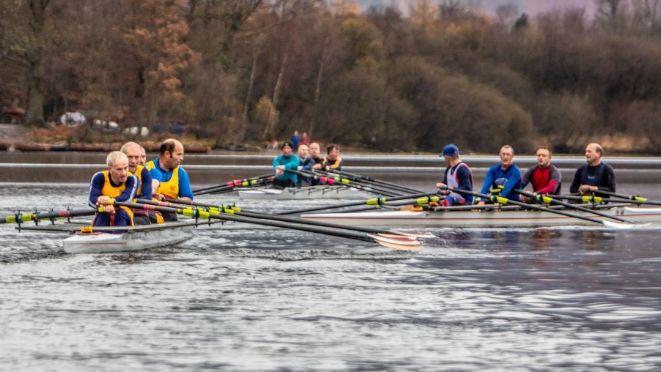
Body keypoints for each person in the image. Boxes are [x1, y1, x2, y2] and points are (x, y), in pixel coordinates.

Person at [145, 139, 193, 221]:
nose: (181, 158)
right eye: (179, 154)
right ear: (167, 154)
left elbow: (188, 199)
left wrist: (169, 202)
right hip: (149, 210)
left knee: (171, 216)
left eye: (182, 155)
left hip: (169, 211)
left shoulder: (180, 173)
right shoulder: (146, 168)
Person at [88, 151, 138, 228]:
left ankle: (117, 236)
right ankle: (97, 235)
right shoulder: (99, 177)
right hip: (103, 212)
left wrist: (109, 202)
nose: (124, 173)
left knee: (120, 213)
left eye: (126, 168)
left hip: (125, 218)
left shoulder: (132, 179)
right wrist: (100, 203)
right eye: (119, 169)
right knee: (104, 214)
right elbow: (91, 200)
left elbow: (127, 198)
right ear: (109, 169)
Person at [120, 142, 153, 225]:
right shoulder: (114, 171)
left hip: (138, 213)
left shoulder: (144, 172)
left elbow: (147, 197)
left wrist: (131, 203)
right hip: (117, 211)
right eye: (130, 157)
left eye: (136, 157)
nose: (133, 161)